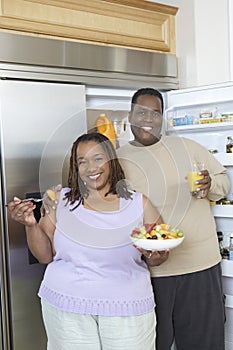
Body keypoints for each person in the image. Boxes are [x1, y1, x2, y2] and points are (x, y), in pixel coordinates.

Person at [8, 132, 169, 350]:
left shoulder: (139, 203)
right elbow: (45, 255)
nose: (91, 167)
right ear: (76, 168)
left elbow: (159, 252)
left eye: (98, 158)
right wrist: (30, 224)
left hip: (126, 309)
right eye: (82, 161)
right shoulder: (62, 201)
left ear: (111, 160)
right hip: (66, 306)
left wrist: (157, 255)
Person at [117, 88, 230, 350]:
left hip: (199, 266)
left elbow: (223, 183)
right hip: (148, 272)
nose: (148, 119)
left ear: (162, 117)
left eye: (155, 113)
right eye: (141, 112)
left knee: (204, 344)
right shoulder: (119, 159)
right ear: (130, 116)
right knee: (152, 343)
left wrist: (210, 184)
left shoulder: (188, 148)